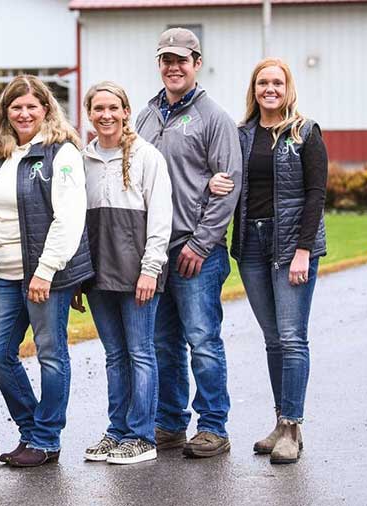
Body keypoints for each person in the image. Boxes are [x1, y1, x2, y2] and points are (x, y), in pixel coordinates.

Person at [208, 57, 327, 464]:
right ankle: (280, 422)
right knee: (273, 340)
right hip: (252, 246)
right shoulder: (241, 135)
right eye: (262, 83)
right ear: (254, 89)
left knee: (293, 338)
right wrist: (214, 180)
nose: (269, 89)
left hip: (292, 245)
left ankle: (293, 428)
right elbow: (226, 177)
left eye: (277, 82)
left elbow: (316, 195)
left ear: (288, 87)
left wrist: (304, 250)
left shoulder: (304, 132)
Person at [135, 27, 242, 458]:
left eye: (181, 60)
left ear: (197, 64)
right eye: (166, 59)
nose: (173, 67)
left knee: (203, 340)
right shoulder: (143, 116)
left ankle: (213, 425)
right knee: (164, 343)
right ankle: (170, 422)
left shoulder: (213, 117)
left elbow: (229, 185)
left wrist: (201, 244)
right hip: (156, 252)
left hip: (197, 251)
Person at [0, 75, 93, 467]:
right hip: (5, 276)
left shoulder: (61, 153)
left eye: (31, 106)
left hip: (45, 275)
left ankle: (46, 439)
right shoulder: (1, 153)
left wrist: (45, 271)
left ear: (46, 109)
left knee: (51, 354)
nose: (24, 113)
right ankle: (32, 431)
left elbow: (69, 217)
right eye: (16, 107)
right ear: (6, 113)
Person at [74, 82, 172, 465]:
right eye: (98, 108)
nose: (106, 115)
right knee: (115, 356)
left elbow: (161, 221)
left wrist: (151, 270)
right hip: (99, 274)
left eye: (113, 107)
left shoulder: (148, 158)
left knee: (140, 353)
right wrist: (80, 276)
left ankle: (142, 435)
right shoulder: (82, 160)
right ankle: (117, 431)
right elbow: (77, 222)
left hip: (138, 275)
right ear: (89, 114)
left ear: (126, 111)